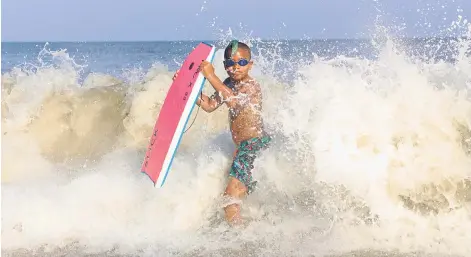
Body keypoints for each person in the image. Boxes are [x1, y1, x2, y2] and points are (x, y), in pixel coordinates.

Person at [172, 40, 271, 225]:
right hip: (243, 148)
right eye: (230, 64)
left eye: (241, 63)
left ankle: (240, 243)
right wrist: (188, 87)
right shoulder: (227, 84)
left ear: (250, 64)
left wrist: (210, 76)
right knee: (241, 195)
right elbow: (210, 105)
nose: (235, 67)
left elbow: (233, 101)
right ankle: (254, 232)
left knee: (229, 201)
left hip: (253, 144)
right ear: (225, 65)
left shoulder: (251, 85)